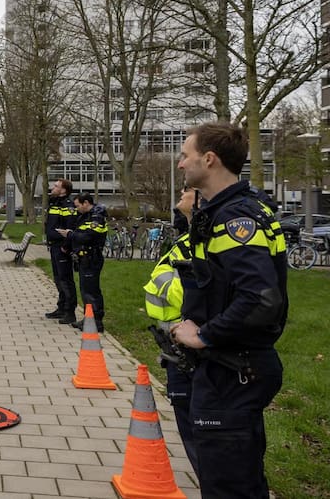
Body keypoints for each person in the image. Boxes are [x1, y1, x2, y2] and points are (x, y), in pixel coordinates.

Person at [172, 122, 287, 498]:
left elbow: (260, 299)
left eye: (185, 155)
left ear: (209, 159)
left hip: (233, 369)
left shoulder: (236, 218)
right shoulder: (230, 210)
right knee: (237, 479)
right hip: (231, 368)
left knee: (229, 486)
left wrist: (204, 335)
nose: (179, 164)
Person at [143, 185, 199, 473]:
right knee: (190, 430)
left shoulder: (205, 242)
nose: (181, 193)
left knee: (204, 441)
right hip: (176, 346)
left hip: (195, 348)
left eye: (188, 190)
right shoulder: (188, 240)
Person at [59, 193, 107, 332]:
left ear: (86, 203)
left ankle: (95, 322)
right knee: (86, 291)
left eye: (78, 205)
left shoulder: (96, 218)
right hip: (84, 258)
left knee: (91, 292)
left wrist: (69, 234)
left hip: (92, 257)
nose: (77, 209)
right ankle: (89, 319)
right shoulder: (85, 216)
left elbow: (88, 237)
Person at [43, 178, 78, 325]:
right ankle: (61, 307)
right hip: (54, 246)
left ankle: (70, 312)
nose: (53, 187)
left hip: (62, 248)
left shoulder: (67, 206)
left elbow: (69, 229)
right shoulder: (55, 203)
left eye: (56, 186)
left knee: (65, 280)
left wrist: (66, 245)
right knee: (58, 279)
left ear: (63, 190)